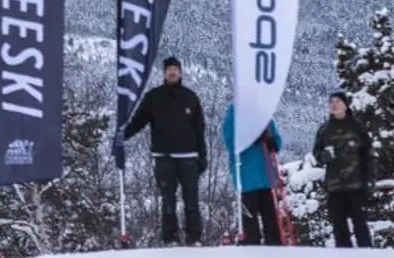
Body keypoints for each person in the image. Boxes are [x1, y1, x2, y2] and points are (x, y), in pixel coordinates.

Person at [118, 56, 207, 246]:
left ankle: (195, 238)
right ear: (164, 72)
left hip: (189, 157)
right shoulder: (154, 97)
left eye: (175, 69)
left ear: (180, 72)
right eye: (169, 69)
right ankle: (170, 239)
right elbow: (139, 120)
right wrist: (122, 134)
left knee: (191, 200)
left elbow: (200, 129)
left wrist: (203, 156)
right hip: (164, 157)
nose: (172, 72)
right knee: (167, 201)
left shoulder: (191, 97)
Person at [312, 90, 374, 248]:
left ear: (346, 105)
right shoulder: (324, 129)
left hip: (356, 184)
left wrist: (369, 179)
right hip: (334, 185)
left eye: (337, 101)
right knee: (339, 227)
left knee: (360, 224)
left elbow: (367, 154)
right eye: (331, 102)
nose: (334, 104)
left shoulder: (357, 126)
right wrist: (323, 156)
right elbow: (316, 152)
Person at [221, 102, 286, 245]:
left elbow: (275, 139)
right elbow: (230, 143)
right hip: (246, 181)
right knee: (250, 231)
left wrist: (272, 142)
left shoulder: (262, 114)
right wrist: (251, 137)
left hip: (266, 178)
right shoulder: (233, 114)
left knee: (273, 227)